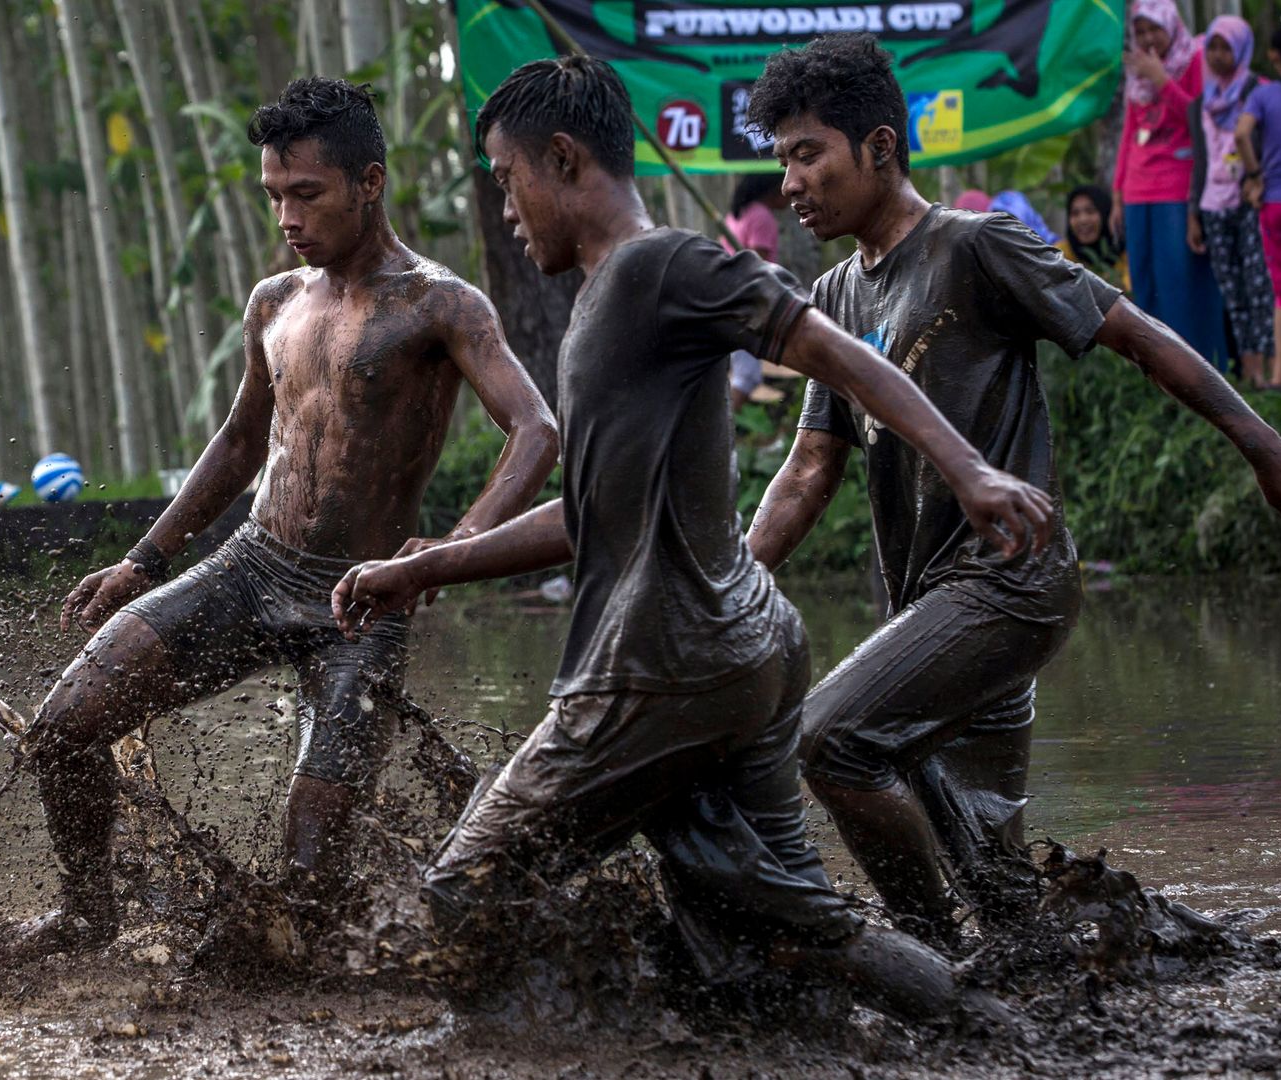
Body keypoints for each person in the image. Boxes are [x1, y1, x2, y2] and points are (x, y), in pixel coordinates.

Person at [331, 55, 1050, 1025]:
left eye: (507, 180)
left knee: (463, 889)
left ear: (563, 156)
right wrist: (429, 566)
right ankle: (987, 1024)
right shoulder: (608, 298)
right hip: (740, 649)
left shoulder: (659, 263)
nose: (505, 208)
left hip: (660, 666)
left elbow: (830, 349)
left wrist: (964, 467)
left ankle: (551, 1050)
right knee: (771, 921)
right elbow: (591, 512)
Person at [744, 33, 1281, 952]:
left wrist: (1267, 445)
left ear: (880, 146)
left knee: (830, 741)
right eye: (783, 160)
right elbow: (808, 469)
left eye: (809, 153)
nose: (792, 182)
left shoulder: (977, 244)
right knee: (1007, 900)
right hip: (924, 612)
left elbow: (1135, 333)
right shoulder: (836, 296)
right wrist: (725, 585)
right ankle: (1207, 954)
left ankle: (930, 966)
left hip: (1011, 583)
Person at [5, 78, 559, 959]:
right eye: (274, 196)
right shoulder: (276, 301)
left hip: (359, 606)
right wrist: (142, 562)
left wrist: (455, 549)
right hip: (252, 569)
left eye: (308, 194)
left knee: (307, 901)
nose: (288, 217)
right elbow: (236, 444)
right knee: (63, 729)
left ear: (369, 183)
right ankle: (88, 912)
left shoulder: (441, 303)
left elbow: (536, 430)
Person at [1116, 0, 1230, 369]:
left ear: (1172, 25)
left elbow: (1201, 121)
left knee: (1182, 286)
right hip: (1138, 189)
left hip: (1177, 188)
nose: (1148, 39)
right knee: (1146, 288)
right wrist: (1119, 192)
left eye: (1155, 30)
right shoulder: (1138, 73)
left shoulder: (1194, 59)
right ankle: (1155, 377)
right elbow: (1130, 133)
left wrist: (1163, 80)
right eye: (1141, 31)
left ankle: (1201, 374)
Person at [1192, 15, 1276, 387]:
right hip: (1213, 206)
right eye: (1213, 46)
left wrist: (1260, 181)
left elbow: (1273, 145)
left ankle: (1269, 368)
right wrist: (1193, 212)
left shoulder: (1258, 92)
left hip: (1251, 202)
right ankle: (1248, 368)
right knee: (1232, 290)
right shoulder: (1200, 104)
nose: (1218, 55)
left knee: (1259, 284)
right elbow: (1200, 160)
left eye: (1227, 47)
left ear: (1242, 49)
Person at [1238, 26, 1281, 390]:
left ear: (1275, 56)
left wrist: (1255, 176)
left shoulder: (1263, 96)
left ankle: (1279, 374)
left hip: (1275, 202)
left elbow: (1242, 133)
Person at [722, 173, 787, 408]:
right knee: (746, 376)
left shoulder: (738, 213)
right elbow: (756, 268)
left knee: (741, 372)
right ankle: (724, 434)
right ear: (771, 189)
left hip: (728, 296)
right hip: (746, 302)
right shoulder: (761, 217)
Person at [1062, 184, 1131, 291]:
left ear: (1106, 214)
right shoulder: (1061, 256)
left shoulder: (1128, 255)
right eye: (1075, 213)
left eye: (1090, 211)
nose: (1083, 220)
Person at [987, 191, 1059, 245]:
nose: (1003, 224)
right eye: (997, 219)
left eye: (1010, 219)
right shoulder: (989, 244)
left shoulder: (1047, 242)